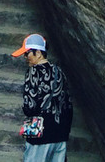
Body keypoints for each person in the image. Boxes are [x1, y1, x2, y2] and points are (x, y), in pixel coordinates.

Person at [11, 33, 73, 162]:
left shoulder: (33, 72)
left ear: (38, 53)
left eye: (27, 53)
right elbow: (68, 104)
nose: (25, 57)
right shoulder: (58, 71)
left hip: (40, 134)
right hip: (60, 134)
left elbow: (30, 107)